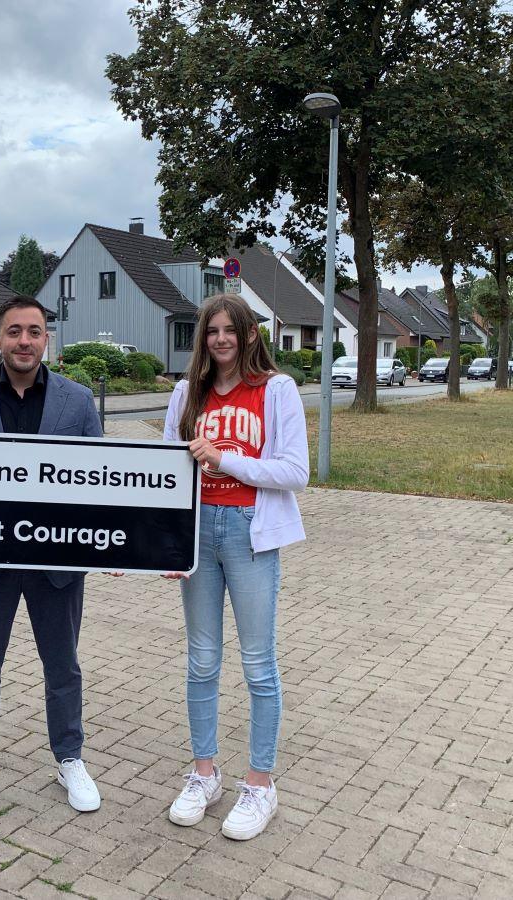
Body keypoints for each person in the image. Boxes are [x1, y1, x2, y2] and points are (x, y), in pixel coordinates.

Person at [0, 295, 104, 816]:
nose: (24, 341)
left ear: (46, 338)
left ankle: (70, 757)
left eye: (34, 331)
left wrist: (120, 539)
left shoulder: (77, 401)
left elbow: (101, 483)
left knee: (63, 666)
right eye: (14, 331)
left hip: (56, 564)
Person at [161, 294, 308, 841]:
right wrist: (168, 545)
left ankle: (260, 783)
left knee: (258, 664)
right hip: (199, 533)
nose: (221, 339)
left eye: (231, 330)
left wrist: (224, 459)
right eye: (212, 330)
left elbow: (295, 471)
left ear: (250, 335)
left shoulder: (276, 390)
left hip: (250, 533)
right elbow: (167, 475)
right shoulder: (187, 392)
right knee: (201, 660)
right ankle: (204, 774)